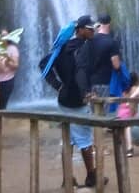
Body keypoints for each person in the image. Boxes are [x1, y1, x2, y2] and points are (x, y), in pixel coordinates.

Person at [50, 15, 101, 189]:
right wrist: (86, 92)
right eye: (89, 28)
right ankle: (91, 176)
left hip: (63, 99)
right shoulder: (83, 48)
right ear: (79, 30)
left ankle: (68, 178)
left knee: (68, 140)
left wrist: (58, 85)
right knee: (85, 141)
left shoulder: (63, 47)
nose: (92, 31)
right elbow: (80, 73)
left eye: (93, 28)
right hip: (77, 101)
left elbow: (44, 64)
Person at [79, 14, 122, 104]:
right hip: (105, 82)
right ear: (109, 25)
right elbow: (116, 65)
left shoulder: (89, 41)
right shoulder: (112, 42)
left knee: (93, 110)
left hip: (91, 83)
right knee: (104, 111)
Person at [0, 32, 20, 110]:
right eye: (2, 36)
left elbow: (16, 65)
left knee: (2, 105)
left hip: (7, 80)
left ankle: (1, 121)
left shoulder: (13, 49)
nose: (4, 37)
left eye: (6, 35)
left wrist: (7, 61)